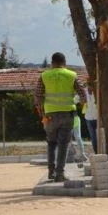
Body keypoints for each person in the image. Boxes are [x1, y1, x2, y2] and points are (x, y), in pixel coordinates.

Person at [34, 52, 86, 182]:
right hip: (67, 114)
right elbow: (83, 95)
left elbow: (38, 97)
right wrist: (79, 103)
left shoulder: (44, 76)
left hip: (50, 115)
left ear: (52, 62)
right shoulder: (72, 75)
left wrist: (42, 113)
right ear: (65, 62)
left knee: (51, 143)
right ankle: (59, 174)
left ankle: (51, 172)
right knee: (63, 144)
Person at [84, 80, 98, 154]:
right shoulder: (84, 92)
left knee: (100, 137)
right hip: (88, 118)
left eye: (91, 86)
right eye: (88, 86)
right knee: (93, 138)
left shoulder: (97, 92)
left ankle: (101, 153)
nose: (89, 88)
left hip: (97, 118)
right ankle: (96, 153)